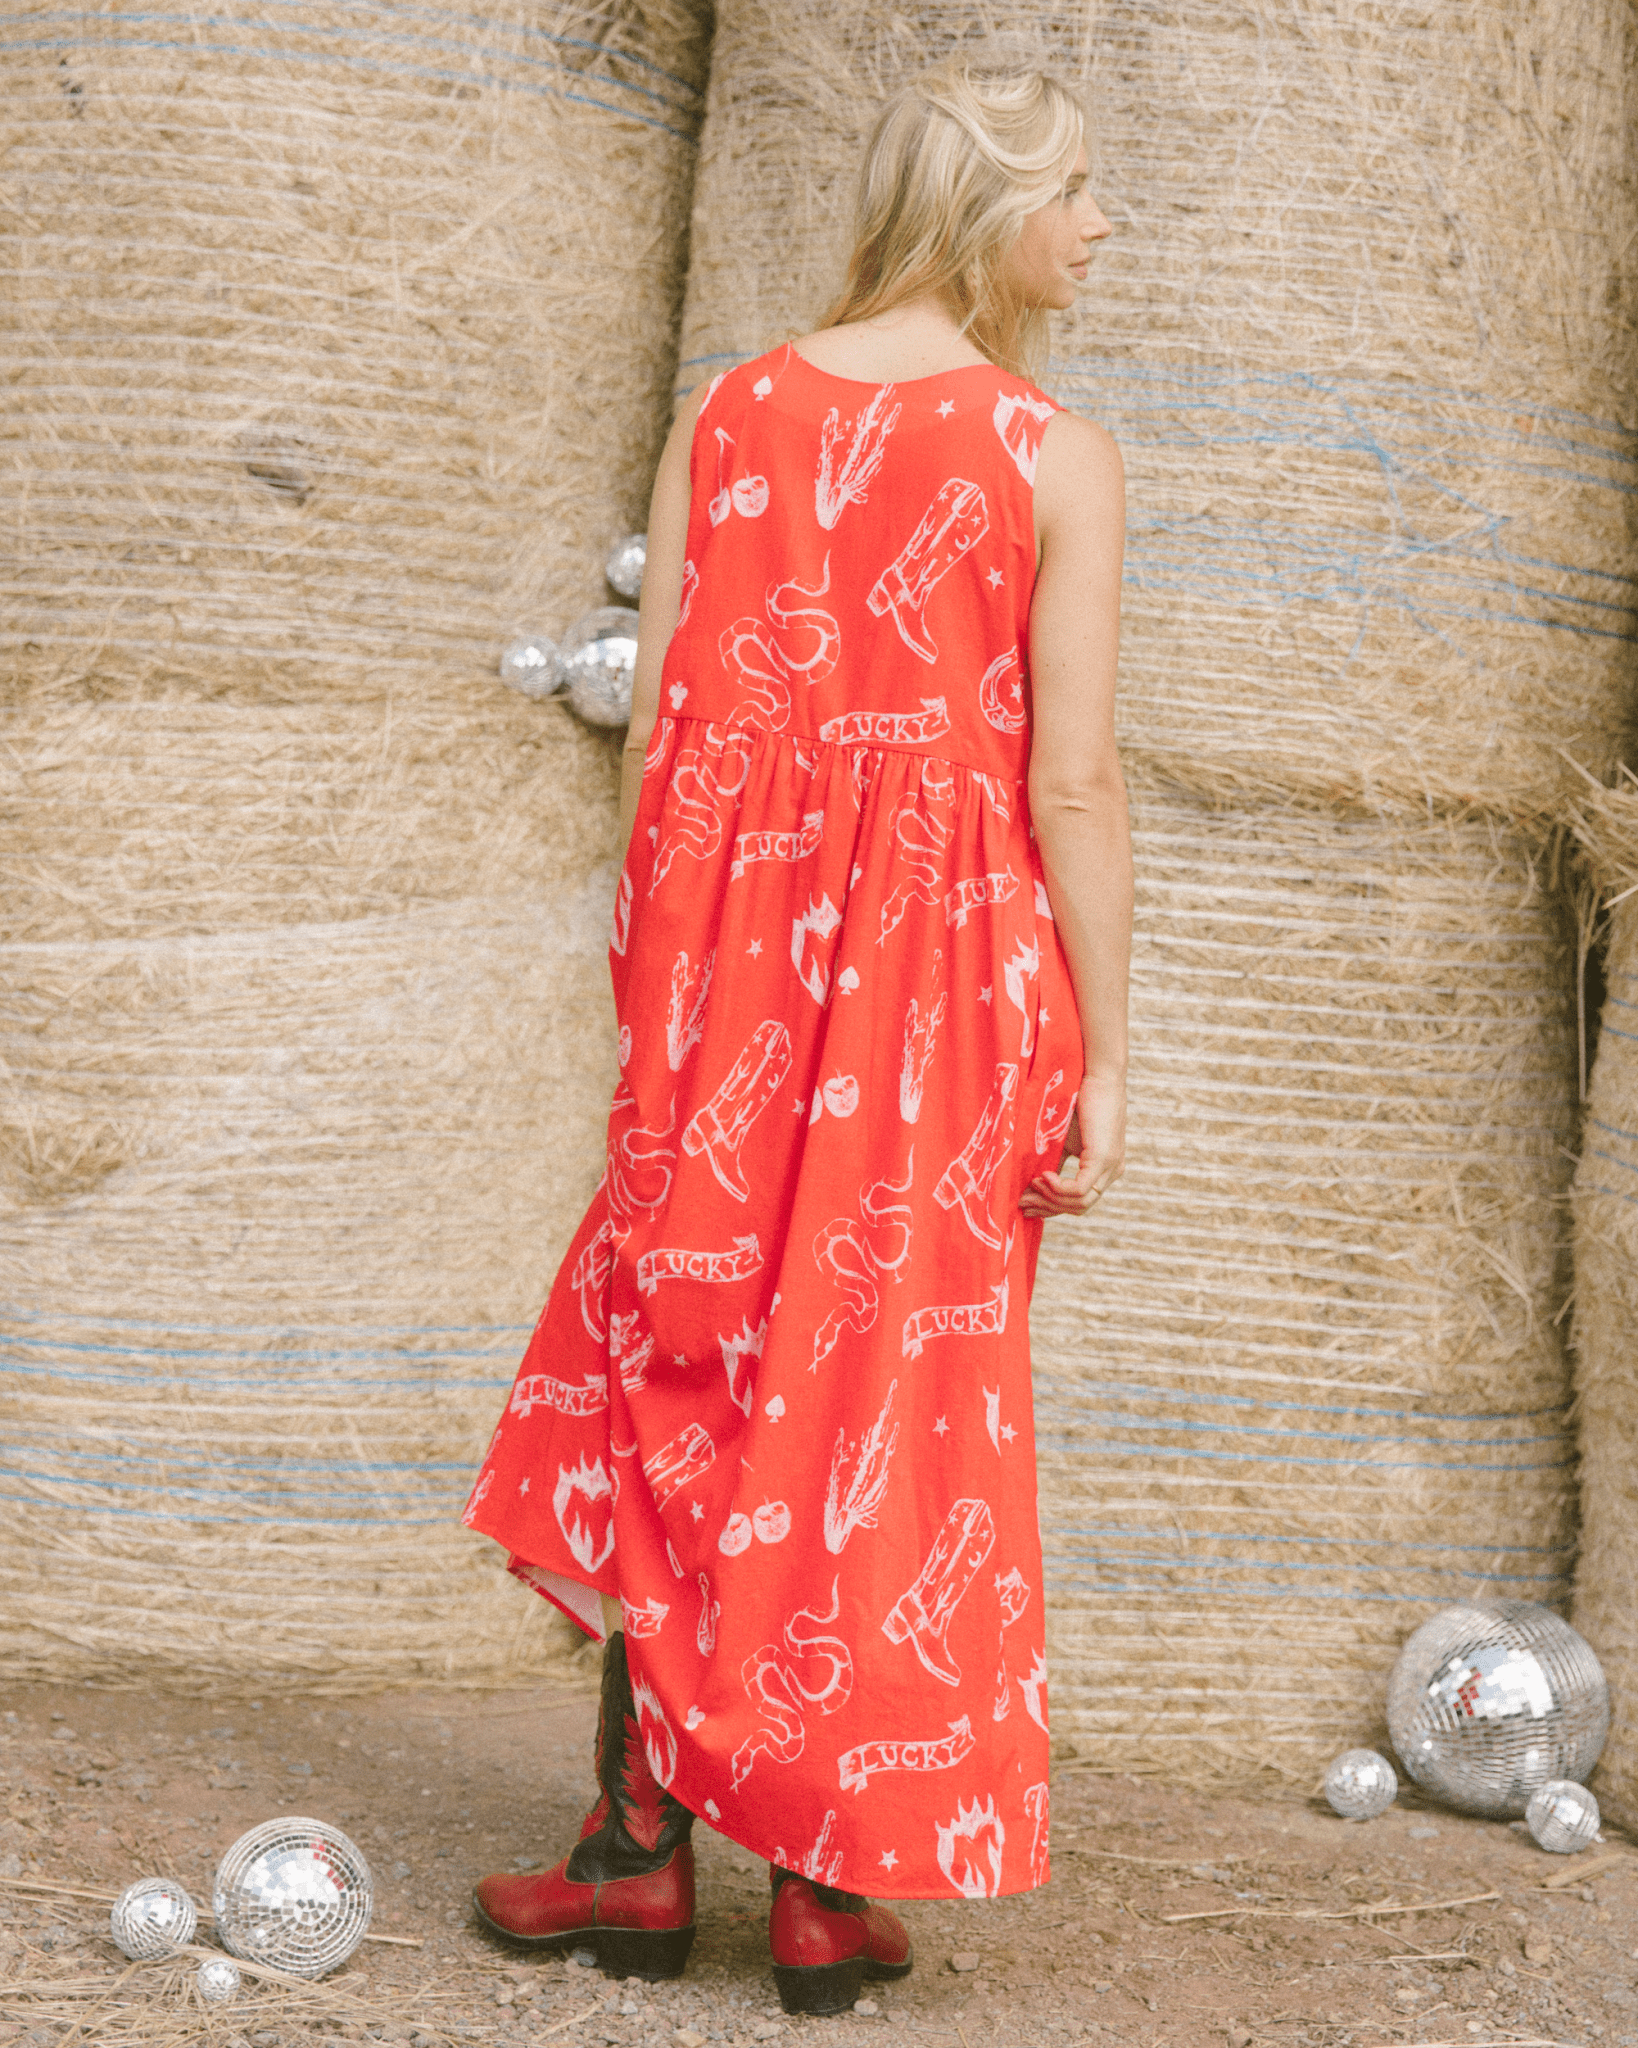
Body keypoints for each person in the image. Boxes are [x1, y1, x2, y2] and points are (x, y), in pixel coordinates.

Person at [461, 48, 1130, 2020]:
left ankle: (635, 1854)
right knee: (882, 1391)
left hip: (729, 953)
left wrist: (672, 986)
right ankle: (825, 1886)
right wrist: (1106, 1047)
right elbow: (1072, 785)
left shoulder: (733, 412)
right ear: (989, 211)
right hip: (944, 988)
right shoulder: (1050, 454)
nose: (1100, 227)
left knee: (683, 1346)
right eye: (1075, 190)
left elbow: (666, 726)